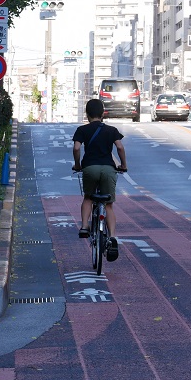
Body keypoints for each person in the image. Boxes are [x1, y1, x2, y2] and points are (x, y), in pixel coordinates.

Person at [72, 99, 127, 262]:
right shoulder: (112, 130)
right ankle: (113, 237)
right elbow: (120, 147)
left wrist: (77, 165)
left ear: (87, 114)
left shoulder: (82, 130)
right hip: (109, 169)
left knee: (88, 197)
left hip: (89, 168)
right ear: (103, 113)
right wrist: (123, 165)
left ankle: (84, 226)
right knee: (108, 204)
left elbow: (76, 148)